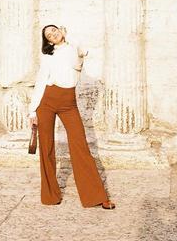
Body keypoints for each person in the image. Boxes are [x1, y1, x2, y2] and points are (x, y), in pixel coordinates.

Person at [29, 24, 115, 210]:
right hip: (47, 101)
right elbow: (41, 81)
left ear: (61, 31)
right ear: (48, 41)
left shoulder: (73, 48)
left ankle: (97, 196)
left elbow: (84, 53)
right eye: (49, 35)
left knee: (80, 146)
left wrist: (70, 38)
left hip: (69, 103)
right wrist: (32, 110)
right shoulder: (48, 55)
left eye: (54, 31)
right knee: (46, 147)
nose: (53, 35)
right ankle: (50, 195)